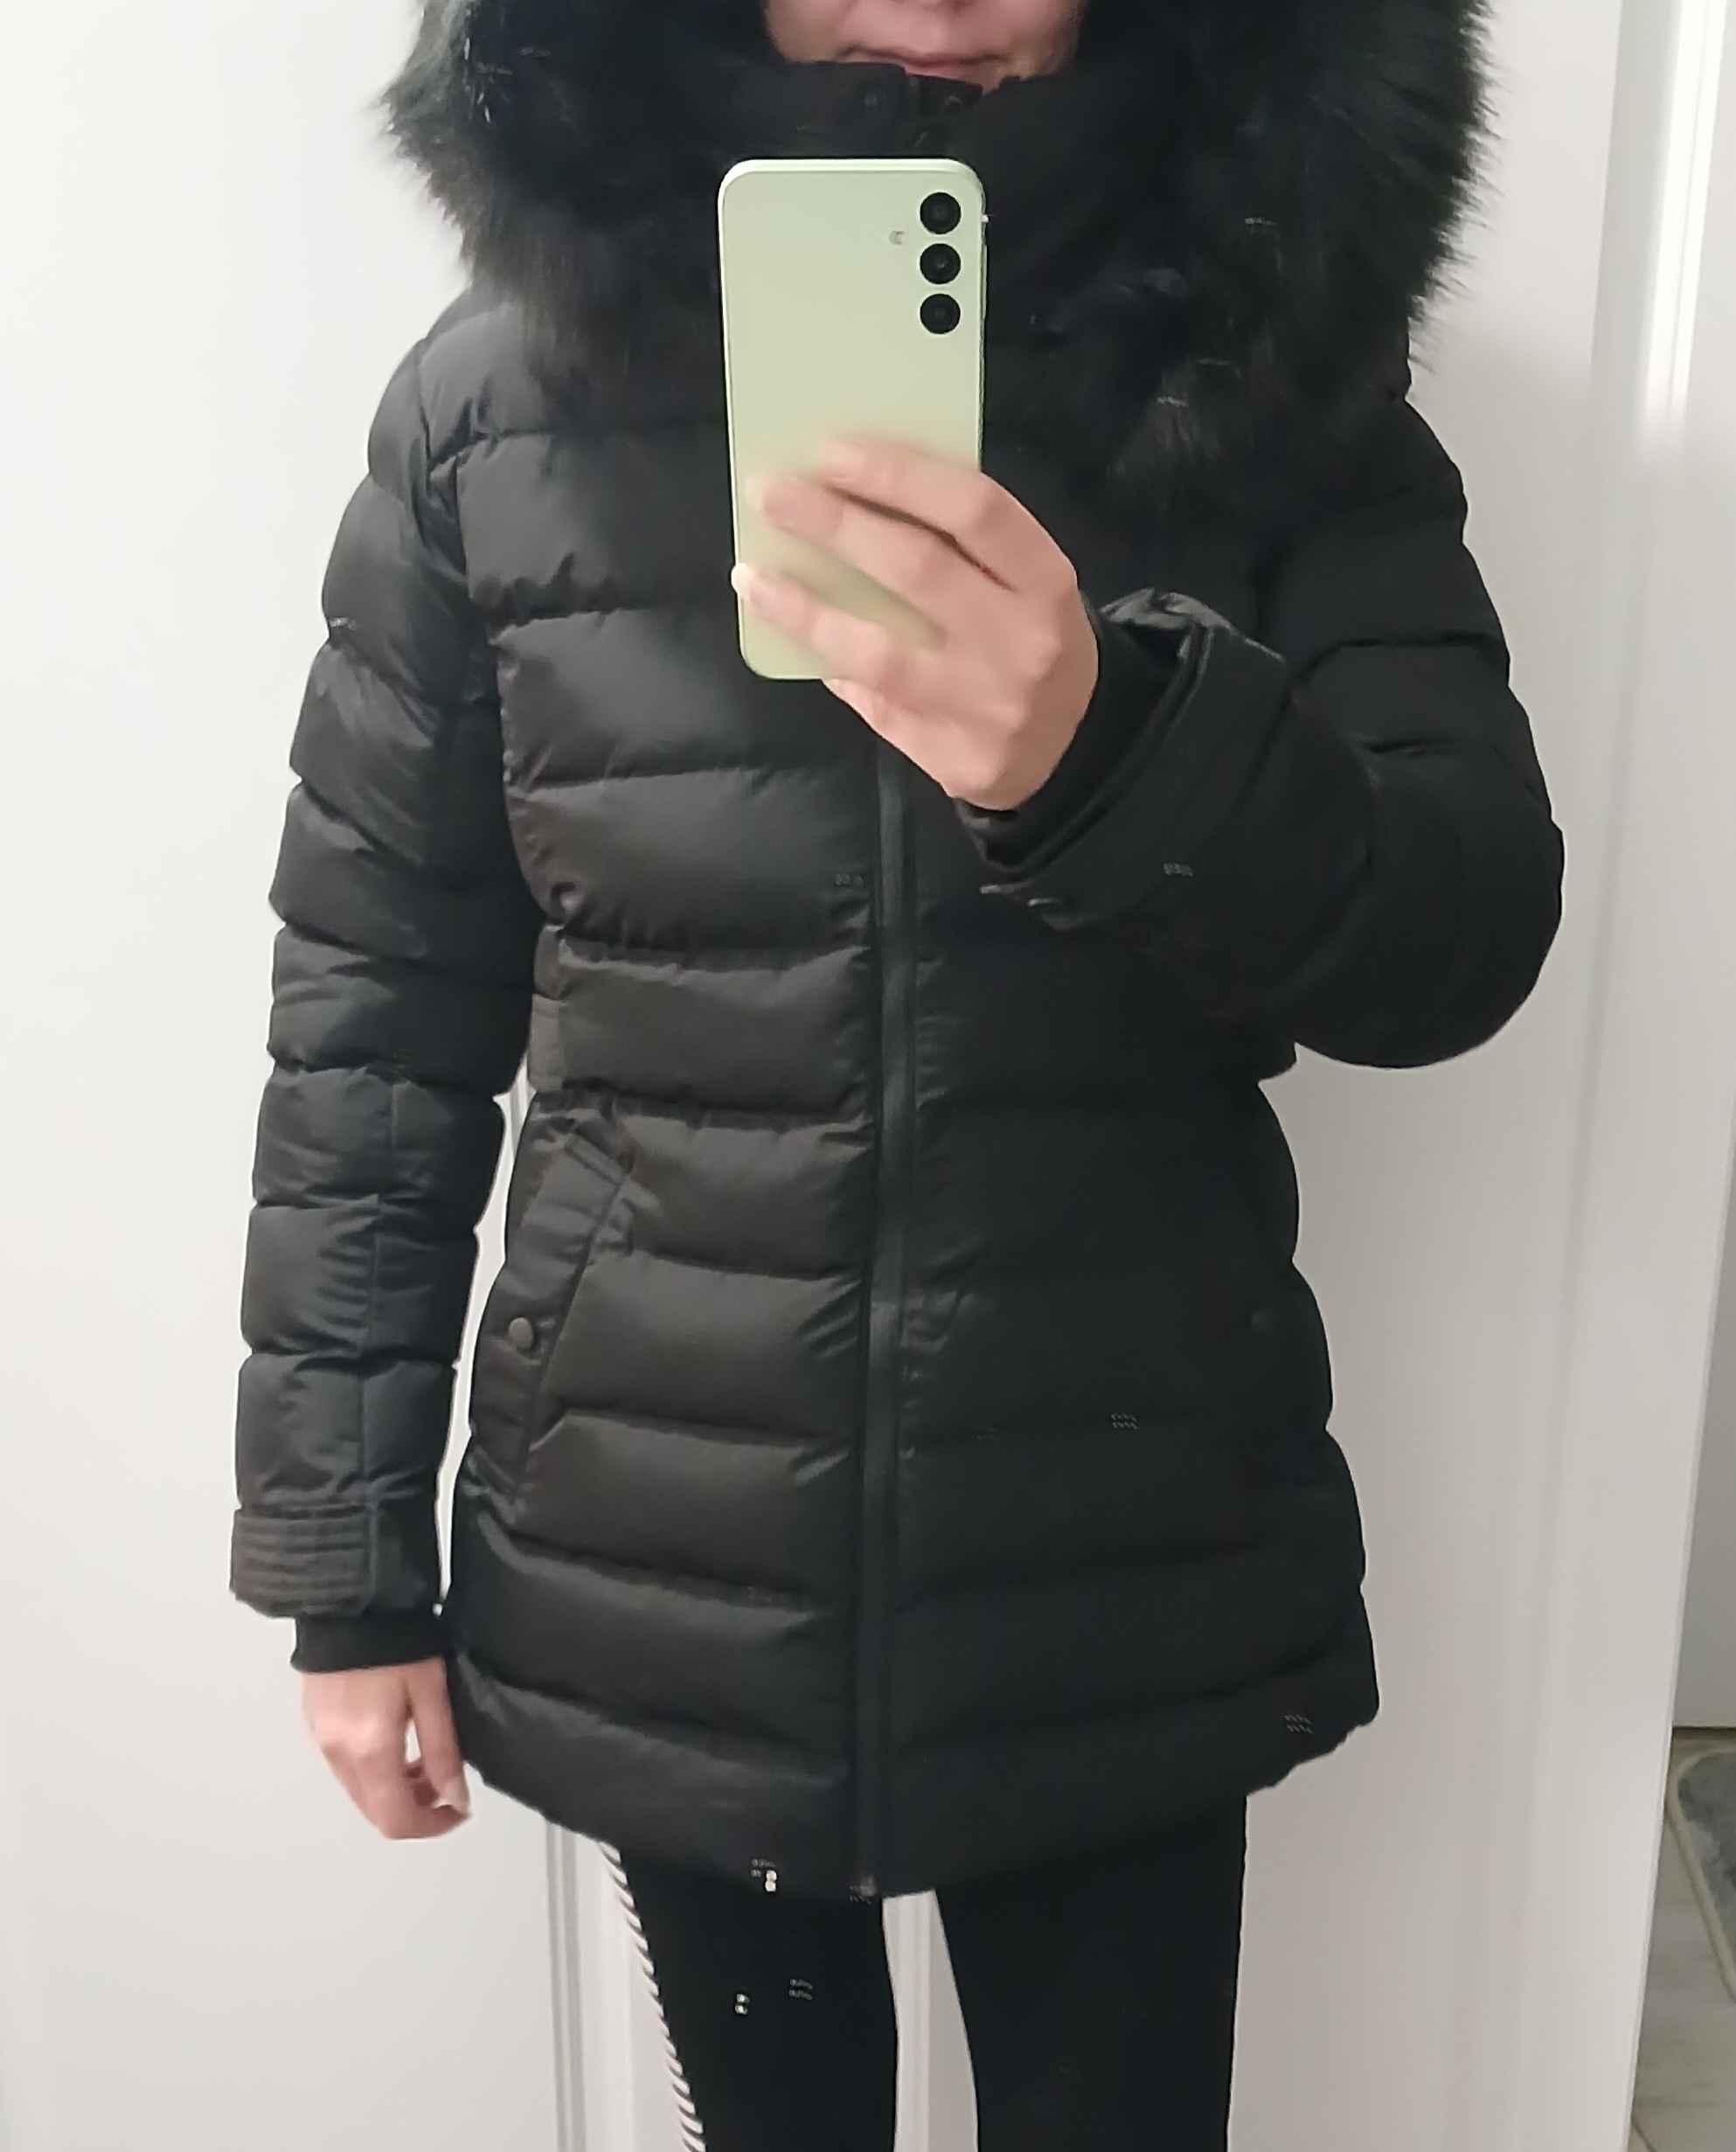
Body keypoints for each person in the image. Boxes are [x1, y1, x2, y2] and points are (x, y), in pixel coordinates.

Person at [228, 0, 1566, 2143]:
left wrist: (1109, 752)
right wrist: (339, 1553)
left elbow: (1460, 932)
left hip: (1120, 1546)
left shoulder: (1267, 369)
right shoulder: (494, 414)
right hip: (661, 1555)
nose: (934, 8)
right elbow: (376, 1011)